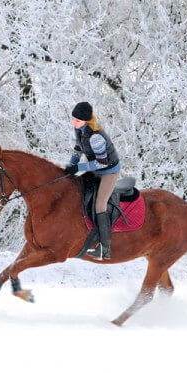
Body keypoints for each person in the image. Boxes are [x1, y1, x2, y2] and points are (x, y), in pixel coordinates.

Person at [64, 101, 121, 259]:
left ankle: (105, 248)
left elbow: (102, 162)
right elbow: (78, 148)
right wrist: (71, 166)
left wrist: (79, 167)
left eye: (77, 120)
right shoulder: (80, 131)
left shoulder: (96, 137)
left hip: (108, 171)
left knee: (100, 205)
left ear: (86, 121)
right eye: (73, 118)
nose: (74, 122)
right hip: (96, 169)